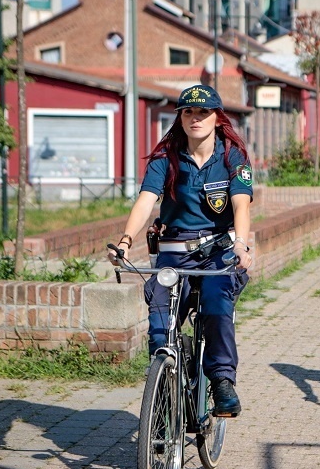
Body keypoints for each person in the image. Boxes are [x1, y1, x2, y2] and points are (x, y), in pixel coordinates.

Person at [108, 84, 253, 417]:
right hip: (174, 249)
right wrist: (126, 241)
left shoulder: (232, 155)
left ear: (217, 118)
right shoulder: (166, 156)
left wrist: (241, 244)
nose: (195, 118)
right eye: (188, 112)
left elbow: (241, 205)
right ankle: (163, 387)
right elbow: (146, 200)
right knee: (161, 316)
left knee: (217, 306)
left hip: (219, 250)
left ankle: (221, 382)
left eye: (203, 112)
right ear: (181, 117)